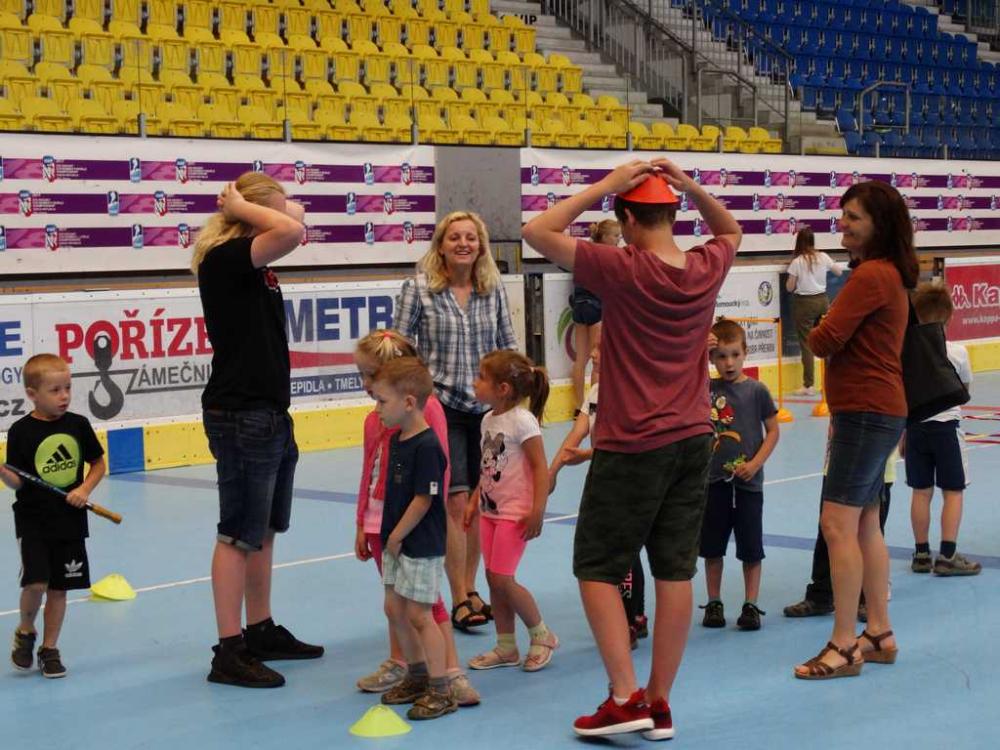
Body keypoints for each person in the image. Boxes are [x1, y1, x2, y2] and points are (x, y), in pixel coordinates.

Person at [522, 158, 741, 740]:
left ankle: (624, 696)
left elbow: (536, 231)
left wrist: (606, 184)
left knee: (596, 567)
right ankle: (659, 702)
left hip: (632, 442)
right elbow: (730, 230)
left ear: (626, 219)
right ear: (673, 214)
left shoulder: (621, 267)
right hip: (693, 438)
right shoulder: (705, 266)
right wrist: (692, 186)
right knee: (674, 571)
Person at [193, 173, 322, 689]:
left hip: (268, 411)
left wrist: (252, 207)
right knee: (237, 534)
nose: (291, 211)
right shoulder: (225, 259)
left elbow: (294, 222)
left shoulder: (255, 261)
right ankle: (228, 649)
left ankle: (260, 628)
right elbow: (291, 229)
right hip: (241, 413)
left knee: (263, 530)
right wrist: (241, 206)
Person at [793, 181, 917, 680]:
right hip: (877, 409)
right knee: (866, 523)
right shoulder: (888, 274)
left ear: (878, 225)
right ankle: (879, 632)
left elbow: (823, 339)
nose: (842, 223)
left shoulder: (869, 277)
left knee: (837, 524)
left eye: (853, 217)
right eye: (842, 214)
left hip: (865, 411)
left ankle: (844, 644)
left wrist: (824, 323)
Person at [394, 211, 518, 632]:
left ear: (481, 246)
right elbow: (399, 348)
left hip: (486, 409)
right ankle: (460, 596)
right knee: (455, 500)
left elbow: (507, 346)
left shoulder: (492, 289)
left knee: (480, 501)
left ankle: (469, 587)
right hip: (441, 406)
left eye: (471, 237)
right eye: (454, 237)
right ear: (441, 245)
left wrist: (514, 401)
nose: (463, 243)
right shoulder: (418, 288)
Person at [352, 330, 480, 706]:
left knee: (426, 602)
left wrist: (421, 521)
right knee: (395, 601)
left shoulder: (427, 413)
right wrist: (361, 522)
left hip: (413, 526)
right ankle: (406, 664)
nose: (365, 384)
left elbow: (437, 475)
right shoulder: (374, 420)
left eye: (370, 376)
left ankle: (450, 672)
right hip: (381, 524)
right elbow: (368, 473)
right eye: (362, 375)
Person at [1, 354, 105, 679]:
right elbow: (18, 481)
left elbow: (98, 463)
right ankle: (26, 630)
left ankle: (49, 649)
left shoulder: (78, 425)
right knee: (36, 583)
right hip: (33, 520)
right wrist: (3, 473)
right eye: (55, 390)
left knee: (59, 589)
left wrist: (84, 489)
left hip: (70, 520)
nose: (64, 396)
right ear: (32, 394)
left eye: (67, 388)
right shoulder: (21, 431)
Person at [463, 351, 559, 672]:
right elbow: (486, 468)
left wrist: (538, 510)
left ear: (502, 389)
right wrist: (475, 500)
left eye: (481, 378)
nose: (475, 383)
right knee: (493, 579)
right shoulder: (487, 420)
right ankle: (506, 646)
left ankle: (542, 634)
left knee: (503, 579)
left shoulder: (522, 421)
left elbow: (540, 467)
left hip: (514, 513)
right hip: (490, 512)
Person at [549, 346, 649, 649]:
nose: (593, 354)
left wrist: (588, 454)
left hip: (630, 480)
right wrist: (552, 472)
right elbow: (576, 435)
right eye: (592, 348)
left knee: (624, 549)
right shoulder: (595, 392)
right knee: (610, 547)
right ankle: (634, 615)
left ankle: (631, 619)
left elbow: (626, 441)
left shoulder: (629, 392)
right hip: (603, 479)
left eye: (601, 348)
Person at [372, 357, 455, 720]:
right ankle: (417, 675)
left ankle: (441, 688)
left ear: (408, 402)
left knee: (421, 615)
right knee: (395, 609)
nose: (377, 408)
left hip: (419, 544)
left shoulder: (427, 446)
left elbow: (424, 499)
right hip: (397, 541)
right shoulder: (397, 439)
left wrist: (397, 535)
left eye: (382, 401)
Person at [700, 319, 779, 632]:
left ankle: (750, 604)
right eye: (720, 356)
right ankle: (714, 602)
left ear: (745, 353)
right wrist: (699, 352)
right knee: (712, 548)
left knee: (751, 548)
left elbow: (773, 431)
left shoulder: (757, 391)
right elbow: (684, 378)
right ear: (711, 358)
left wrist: (756, 464)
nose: (728, 363)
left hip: (749, 484)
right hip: (713, 483)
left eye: (734, 355)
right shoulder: (706, 388)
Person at [905, 283, 980, 577]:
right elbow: (964, 391)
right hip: (947, 428)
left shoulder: (908, 353)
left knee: (920, 491)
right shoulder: (958, 352)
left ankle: (921, 553)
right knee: (953, 491)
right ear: (949, 317)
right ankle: (947, 555)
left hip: (916, 427)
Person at [784, 450, 898, 621]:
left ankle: (867, 599)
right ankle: (821, 595)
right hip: (837, 463)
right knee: (829, 531)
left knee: (868, 533)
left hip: (874, 465)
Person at [569, 220, 621, 410]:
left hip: (579, 308)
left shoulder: (584, 253)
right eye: (615, 236)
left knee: (580, 360)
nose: (618, 240)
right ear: (605, 237)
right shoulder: (607, 255)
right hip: (595, 308)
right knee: (597, 361)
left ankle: (578, 407)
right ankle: (593, 408)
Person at [786, 227, 843, 396]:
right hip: (823, 301)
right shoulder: (823, 256)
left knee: (807, 344)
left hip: (804, 304)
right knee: (825, 342)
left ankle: (809, 385)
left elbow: (789, 287)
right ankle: (831, 382)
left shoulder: (797, 262)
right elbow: (839, 271)